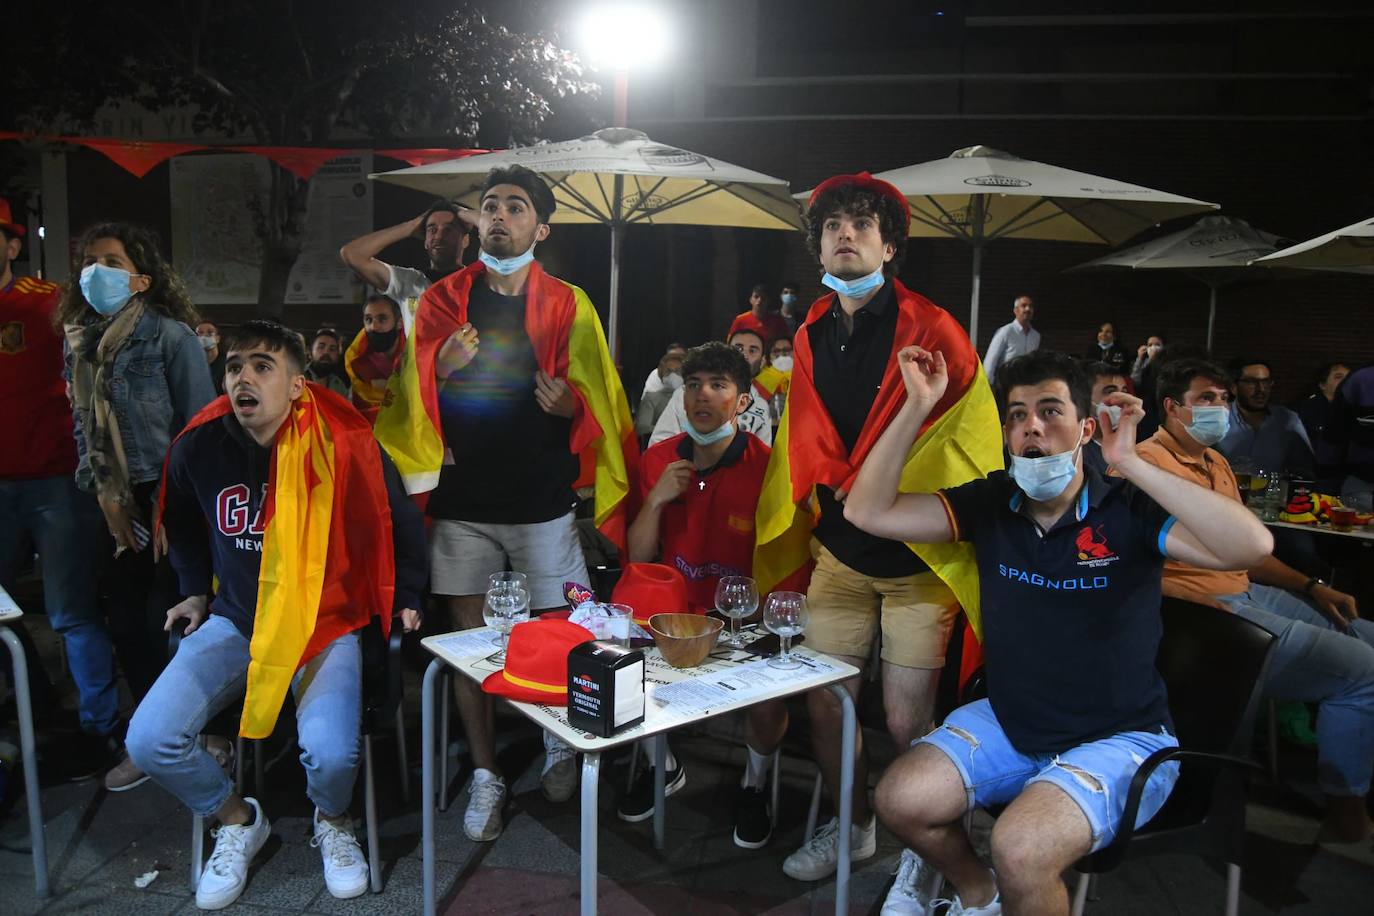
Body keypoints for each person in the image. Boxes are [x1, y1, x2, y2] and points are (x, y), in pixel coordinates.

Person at [845, 348, 1272, 916]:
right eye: (1018, 416)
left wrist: (1132, 461)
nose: (1033, 428)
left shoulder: (1128, 508)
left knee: (1020, 846)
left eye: (1050, 412)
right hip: (1013, 719)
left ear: (1085, 428)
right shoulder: (994, 501)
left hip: (1121, 738)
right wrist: (917, 404)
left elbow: (1251, 547)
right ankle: (981, 895)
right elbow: (867, 512)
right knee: (899, 800)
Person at [752, 172, 1003, 884]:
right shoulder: (809, 330)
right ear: (819, 248)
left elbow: (968, 445)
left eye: (862, 225)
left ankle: (926, 849)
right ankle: (854, 825)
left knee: (906, 724)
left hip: (918, 563)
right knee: (827, 707)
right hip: (840, 553)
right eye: (833, 226)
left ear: (890, 246)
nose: (846, 235)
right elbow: (808, 438)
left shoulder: (937, 329)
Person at [126, 320, 427, 909]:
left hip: (324, 623)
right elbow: (180, 522)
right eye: (235, 365)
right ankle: (238, 821)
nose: (244, 377)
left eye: (263, 366)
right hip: (240, 621)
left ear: (296, 385)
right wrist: (192, 589)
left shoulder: (344, 440)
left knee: (334, 753)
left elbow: (399, 522)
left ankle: (333, 821)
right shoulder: (200, 443)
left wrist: (410, 594)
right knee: (149, 738)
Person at [399, 165, 637, 842]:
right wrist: (434, 370)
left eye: (515, 206)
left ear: (542, 226)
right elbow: (401, 405)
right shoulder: (442, 300)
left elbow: (603, 396)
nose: (498, 215)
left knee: (558, 636)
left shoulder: (569, 302)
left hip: (542, 504)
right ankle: (485, 773)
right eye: (490, 205)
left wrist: (573, 407)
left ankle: (559, 741)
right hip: (462, 503)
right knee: (471, 647)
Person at [1134, 356, 1374, 844]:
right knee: (1362, 671)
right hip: (1203, 616)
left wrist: (1310, 586)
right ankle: (1346, 807)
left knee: (1367, 633)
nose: (1219, 409)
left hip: (1245, 589)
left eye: (1223, 400)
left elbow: (1247, 551)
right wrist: (1194, 609)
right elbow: (1127, 567)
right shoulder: (1144, 466)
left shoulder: (1215, 459)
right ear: (1171, 407)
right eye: (1206, 400)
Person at [57, 221, 217, 790]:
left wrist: (173, 504)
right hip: (113, 499)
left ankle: (199, 733)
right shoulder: (78, 342)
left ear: (141, 278)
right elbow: (83, 427)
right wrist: (105, 497)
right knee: (124, 620)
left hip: (169, 495)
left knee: (170, 616)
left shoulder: (171, 337)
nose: (96, 270)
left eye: (112, 260)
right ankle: (149, 737)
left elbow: (200, 429)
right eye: (90, 260)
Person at [626, 341, 786, 846]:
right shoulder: (657, 461)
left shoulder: (768, 467)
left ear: (742, 402)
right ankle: (663, 766)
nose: (702, 396)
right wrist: (655, 502)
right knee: (618, 661)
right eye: (694, 385)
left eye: (718, 385)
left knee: (771, 691)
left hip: (744, 618)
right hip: (673, 615)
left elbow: (782, 560)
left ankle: (754, 785)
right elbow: (637, 557)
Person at [0, 200, 121, 778]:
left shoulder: (44, 300)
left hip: (53, 480)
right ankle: (33, 705)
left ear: (12, 243)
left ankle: (99, 726)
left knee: (71, 612)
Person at [339, 200, 473, 311]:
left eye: (448, 229)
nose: (438, 236)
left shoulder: (479, 281)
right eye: (432, 229)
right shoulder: (409, 283)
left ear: (465, 240)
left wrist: (468, 214)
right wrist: (411, 226)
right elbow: (352, 254)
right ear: (425, 241)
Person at [650, 329, 774, 447]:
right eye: (738, 348)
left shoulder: (761, 407)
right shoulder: (686, 394)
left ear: (763, 360)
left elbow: (763, 459)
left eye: (753, 350)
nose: (744, 354)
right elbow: (659, 443)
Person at [1219, 357, 1315, 477]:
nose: (1261, 389)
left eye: (1266, 382)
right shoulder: (1219, 418)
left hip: (1272, 493)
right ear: (1234, 387)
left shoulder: (1287, 419)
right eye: (1252, 382)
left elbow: (1306, 468)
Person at [343, 294, 407, 423]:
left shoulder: (414, 348)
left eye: (382, 319)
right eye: (368, 320)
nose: (373, 327)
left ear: (399, 323)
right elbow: (362, 405)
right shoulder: (357, 358)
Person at [981, 294, 1038, 381]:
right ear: (1016, 310)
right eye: (1024, 306)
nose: (1028, 309)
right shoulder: (1006, 332)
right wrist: (988, 385)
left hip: (1026, 385)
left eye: (1030, 306)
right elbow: (990, 360)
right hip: (1006, 384)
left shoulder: (1035, 336)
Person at [635, 342, 686, 437]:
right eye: (669, 371)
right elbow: (642, 427)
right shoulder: (651, 398)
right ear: (661, 373)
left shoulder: (692, 398)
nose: (673, 375)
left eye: (677, 371)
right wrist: (670, 433)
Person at [1293, 361, 1350, 445]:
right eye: (1338, 377)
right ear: (1322, 385)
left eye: (1349, 377)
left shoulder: (1354, 409)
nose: (1346, 381)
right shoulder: (1305, 409)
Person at [728, 283, 791, 348]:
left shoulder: (777, 320)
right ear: (750, 300)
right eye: (756, 297)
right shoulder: (740, 320)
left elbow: (787, 340)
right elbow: (730, 341)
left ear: (768, 301)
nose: (759, 300)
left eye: (763, 297)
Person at [305, 327, 350, 397]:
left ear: (337, 356)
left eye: (332, 349)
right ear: (310, 352)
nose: (326, 352)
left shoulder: (340, 386)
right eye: (321, 347)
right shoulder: (296, 377)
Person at [195, 320, 225, 392]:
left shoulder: (227, 364)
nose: (204, 336)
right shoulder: (191, 364)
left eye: (210, 333)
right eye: (200, 333)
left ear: (218, 338)